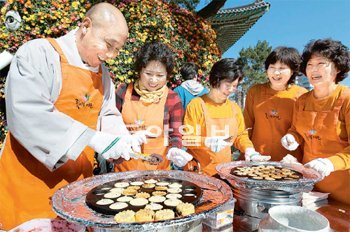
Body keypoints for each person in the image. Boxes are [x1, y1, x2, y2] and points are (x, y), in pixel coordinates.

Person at [0, 3, 147, 230]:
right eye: (108, 45)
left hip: (75, 186)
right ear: (86, 26)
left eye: (117, 50)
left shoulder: (103, 75)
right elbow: (29, 111)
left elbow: (107, 112)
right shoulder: (39, 53)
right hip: (29, 182)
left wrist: (121, 139)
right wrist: (91, 138)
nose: (111, 55)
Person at [281, 39, 350, 205]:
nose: (314, 69)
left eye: (321, 63)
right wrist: (292, 137)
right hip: (310, 188)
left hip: (344, 190)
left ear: (338, 68)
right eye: (310, 64)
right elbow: (296, 130)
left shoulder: (346, 99)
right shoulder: (302, 100)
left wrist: (330, 163)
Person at [182, 58, 270, 176]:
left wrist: (249, 150)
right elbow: (187, 139)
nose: (231, 90)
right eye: (228, 85)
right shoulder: (196, 105)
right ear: (215, 80)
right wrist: (207, 142)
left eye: (234, 86)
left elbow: (240, 135)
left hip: (223, 172)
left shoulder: (234, 108)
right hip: (198, 172)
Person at [115, 41, 193, 171]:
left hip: (158, 171)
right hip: (125, 170)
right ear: (140, 70)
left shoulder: (172, 98)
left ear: (168, 75)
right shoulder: (123, 92)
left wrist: (174, 149)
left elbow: (175, 134)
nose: (153, 80)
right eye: (148, 74)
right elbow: (110, 125)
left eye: (160, 75)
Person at [243, 47, 307, 162]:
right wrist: (247, 150)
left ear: (292, 71)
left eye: (282, 68)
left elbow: (303, 130)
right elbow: (247, 126)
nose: (276, 72)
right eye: (272, 67)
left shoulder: (301, 94)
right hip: (257, 158)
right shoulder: (255, 91)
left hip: (289, 161)